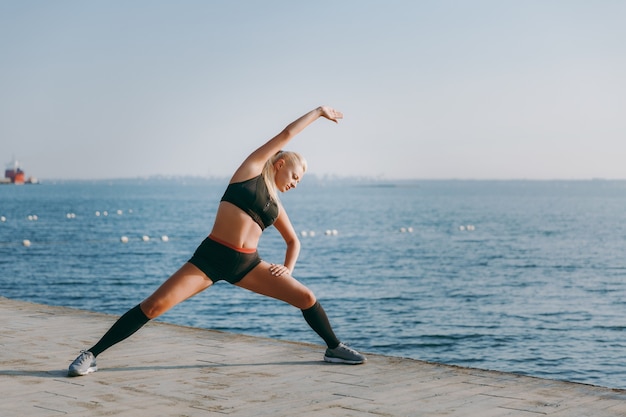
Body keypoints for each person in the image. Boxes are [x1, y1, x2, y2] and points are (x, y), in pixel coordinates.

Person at [68, 106, 366, 377]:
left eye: (299, 181)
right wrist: (318, 112)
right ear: (281, 162)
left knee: (305, 297)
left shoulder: (275, 205)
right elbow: (287, 133)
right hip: (210, 258)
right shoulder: (249, 171)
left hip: (248, 265)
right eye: (295, 175)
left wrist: (288, 269)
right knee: (154, 305)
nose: (295, 183)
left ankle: (334, 347)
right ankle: (91, 354)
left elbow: (294, 241)